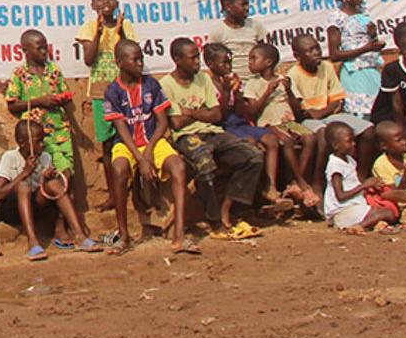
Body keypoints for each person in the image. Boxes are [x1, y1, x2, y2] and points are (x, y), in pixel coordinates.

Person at [159, 37, 263, 238]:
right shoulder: (165, 85)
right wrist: (202, 112)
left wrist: (189, 112)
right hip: (187, 136)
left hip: (212, 132)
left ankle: (229, 208)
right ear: (177, 60)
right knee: (205, 164)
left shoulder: (203, 78)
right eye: (192, 58)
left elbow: (216, 115)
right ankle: (214, 221)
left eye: (197, 57)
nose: (197, 62)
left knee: (253, 156)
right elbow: (176, 123)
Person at [104, 40, 192, 255]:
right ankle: (123, 235)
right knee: (119, 168)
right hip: (127, 145)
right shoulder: (113, 91)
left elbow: (162, 123)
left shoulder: (151, 85)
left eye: (141, 58)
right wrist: (141, 159)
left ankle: (179, 235)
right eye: (135, 59)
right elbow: (122, 129)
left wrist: (150, 151)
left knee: (178, 166)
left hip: (153, 141)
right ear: (120, 62)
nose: (140, 63)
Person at [5, 28, 79, 244]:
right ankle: (57, 227)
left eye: (46, 47)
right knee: (46, 179)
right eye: (39, 48)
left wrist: (61, 101)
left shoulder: (54, 70)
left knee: (66, 177)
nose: (44, 51)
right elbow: (12, 105)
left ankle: (65, 226)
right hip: (37, 138)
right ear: (25, 50)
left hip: (59, 132)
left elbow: (65, 95)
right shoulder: (19, 74)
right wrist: (39, 101)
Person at [0, 120, 101, 261]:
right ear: (22, 142)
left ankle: (80, 235)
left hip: (35, 206)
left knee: (54, 184)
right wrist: (24, 173)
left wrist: (46, 179)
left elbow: (43, 190)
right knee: (23, 186)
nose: (42, 145)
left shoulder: (45, 157)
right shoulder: (10, 157)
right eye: (38, 141)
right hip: (11, 210)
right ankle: (32, 242)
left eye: (42, 140)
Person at [286, 33, 375, 190]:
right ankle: (317, 181)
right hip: (307, 121)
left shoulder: (326, 67)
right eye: (309, 51)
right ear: (297, 56)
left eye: (317, 48)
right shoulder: (293, 74)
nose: (316, 53)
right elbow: (303, 112)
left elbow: (337, 100)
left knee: (368, 130)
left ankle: (360, 176)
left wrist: (322, 112)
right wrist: (322, 112)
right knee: (322, 134)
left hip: (328, 115)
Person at [202, 43, 286, 210]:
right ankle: (252, 197)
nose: (228, 67)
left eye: (230, 63)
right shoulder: (207, 83)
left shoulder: (231, 80)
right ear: (211, 64)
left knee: (271, 140)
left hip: (239, 121)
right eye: (224, 63)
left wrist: (237, 94)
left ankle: (270, 186)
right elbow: (219, 115)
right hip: (222, 125)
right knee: (251, 144)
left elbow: (243, 111)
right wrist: (226, 92)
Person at [75, 0, 137, 204]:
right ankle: (114, 194)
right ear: (93, 5)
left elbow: (131, 53)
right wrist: (99, 33)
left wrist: (120, 33)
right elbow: (89, 59)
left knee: (132, 140)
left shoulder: (126, 25)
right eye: (100, 0)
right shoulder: (89, 27)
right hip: (101, 94)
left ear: (117, 2)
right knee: (108, 145)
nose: (106, 3)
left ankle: (137, 193)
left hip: (126, 92)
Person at [242, 43, 320, 208]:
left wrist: (289, 90)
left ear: (268, 62)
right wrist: (267, 92)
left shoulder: (284, 80)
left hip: (289, 122)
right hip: (269, 124)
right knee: (287, 141)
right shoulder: (252, 83)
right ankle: (302, 183)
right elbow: (252, 111)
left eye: (253, 58)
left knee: (310, 137)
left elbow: (297, 109)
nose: (250, 62)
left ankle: (295, 182)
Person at [325, 0, 385, 120]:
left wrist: (373, 36)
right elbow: (334, 55)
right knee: (363, 118)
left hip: (372, 70)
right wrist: (366, 48)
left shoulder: (364, 14)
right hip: (355, 74)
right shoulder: (337, 18)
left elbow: (370, 45)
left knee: (380, 114)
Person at [323, 122, 395, 234]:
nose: (353, 144)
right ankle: (359, 226)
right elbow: (340, 196)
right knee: (388, 214)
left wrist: (371, 185)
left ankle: (369, 224)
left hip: (354, 206)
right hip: (343, 210)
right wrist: (364, 185)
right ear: (336, 145)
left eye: (353, 140)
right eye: (349, 141)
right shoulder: (335, 165)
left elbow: (353, 184)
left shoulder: (349, 160)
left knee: (388, 211)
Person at [209, 0, 268, 80]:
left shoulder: (255, 25)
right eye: (243, 4)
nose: (247, 8)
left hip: (256, 81)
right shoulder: (218, 31)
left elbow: (265, 52)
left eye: (248, 4)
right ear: (228, 6)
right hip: (233, 82)